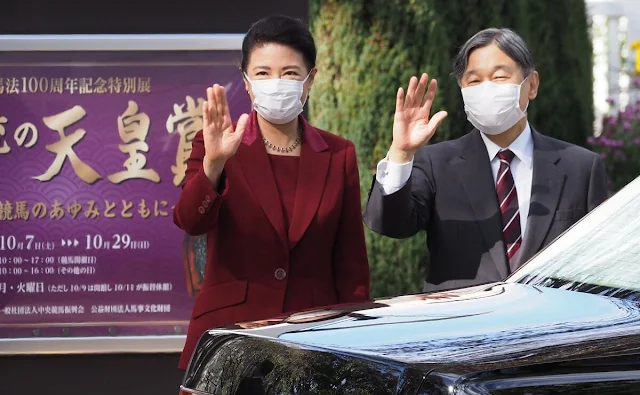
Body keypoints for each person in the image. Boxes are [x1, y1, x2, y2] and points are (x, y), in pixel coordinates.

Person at [174, 15, 370, 370]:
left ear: (310, 80)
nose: (276, 83)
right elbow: (190, 220)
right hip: (231, 338)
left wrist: (355, 348)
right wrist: (214, 165)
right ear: (247, 83)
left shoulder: (339, 153)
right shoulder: (218, 143)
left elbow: (351, 263)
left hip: (315, 341)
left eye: (290, 73)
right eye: (263, 73)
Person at [363, 28, 609, 293]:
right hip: (463, 325)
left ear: (532, 84)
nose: (487, 89)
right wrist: (401, 153)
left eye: (500, 77)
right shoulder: (436, 163)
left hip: (553, 327)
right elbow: (389, 224)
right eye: (474, 81)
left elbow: (599, 262)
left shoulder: (580, 167)